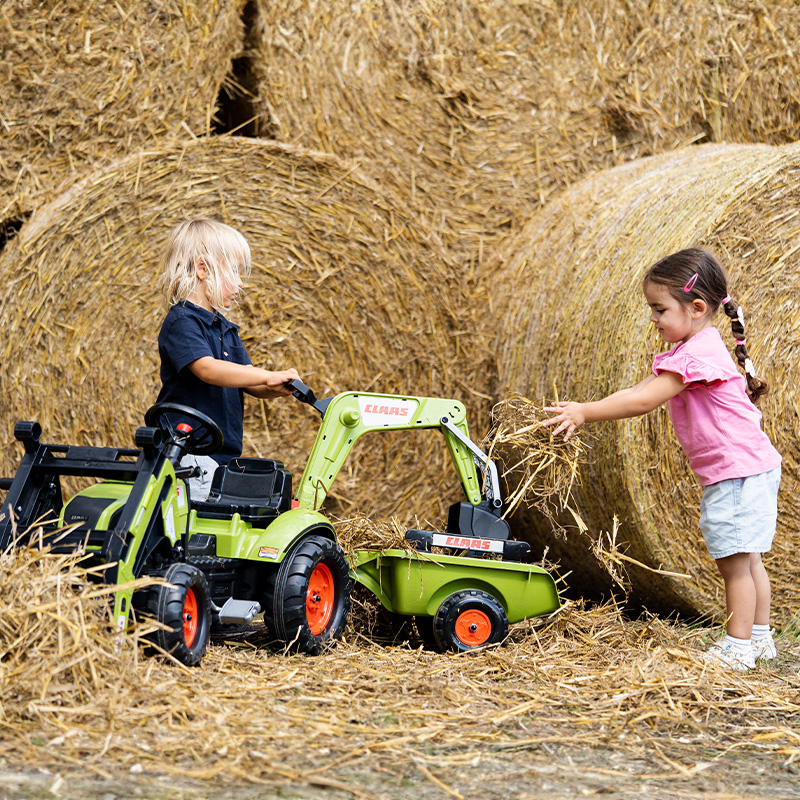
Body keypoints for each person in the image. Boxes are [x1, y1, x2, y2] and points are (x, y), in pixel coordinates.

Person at [543, 247, 781, 670]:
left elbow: (642, 403)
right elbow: (634, 392)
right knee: (748, 558)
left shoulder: (696, 354)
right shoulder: (695, 347)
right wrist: (588, 405)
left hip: (738, 471)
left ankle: (739, 646)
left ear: (696, 308)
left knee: (734, 565)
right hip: (750, 466)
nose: (652, 318)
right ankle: (760, 639)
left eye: (658, 309)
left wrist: (585, 413)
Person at [155, 218, 300, 499]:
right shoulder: (182, 321)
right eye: (234, 271)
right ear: (202, 269)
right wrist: (267, 375)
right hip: (187, 453)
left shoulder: (225, 329)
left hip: (221, 454)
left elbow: (243, 379)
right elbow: (208, 369)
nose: (241, 281)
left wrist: (273, 387)